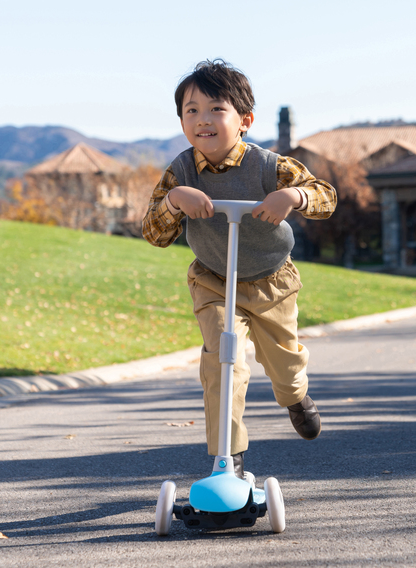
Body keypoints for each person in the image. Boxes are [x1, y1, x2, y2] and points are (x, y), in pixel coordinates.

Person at [142, 59, 337, 478]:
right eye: (191, 111)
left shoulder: (270, 166)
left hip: (271, 281)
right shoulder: (180, 172)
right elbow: (154, 233)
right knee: (224, 360)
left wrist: (294, 198)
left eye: (216, 109)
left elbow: (325, 196)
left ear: (245, 119)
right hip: (213, 279)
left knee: (283, 367)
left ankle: (296, 396)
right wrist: (175, 200)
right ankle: (226, 458)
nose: (202, 120)